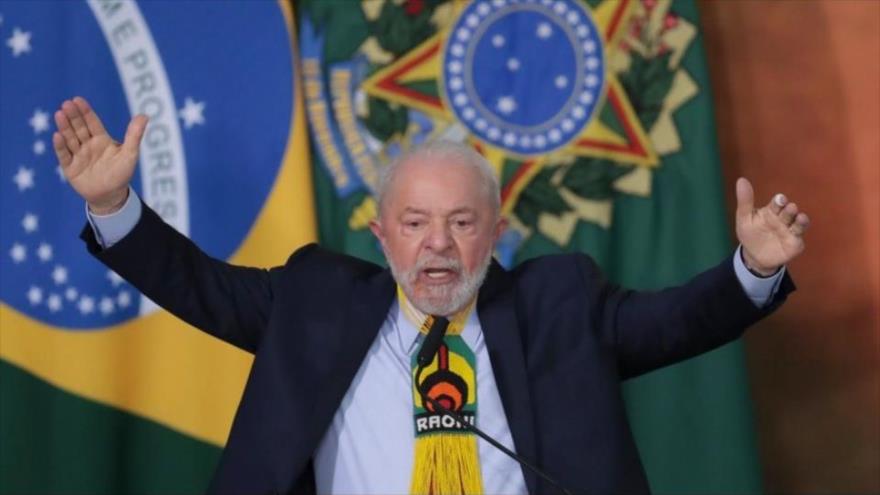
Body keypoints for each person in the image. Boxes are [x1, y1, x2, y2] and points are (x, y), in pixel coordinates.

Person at [53, 96, 808, 495]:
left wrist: (749, 266)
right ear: (383, 236)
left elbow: (679, 321)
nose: (437, 244)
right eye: (415, 223)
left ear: (495, 233)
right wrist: (118, 206)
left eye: (460, 222)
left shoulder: (561, 306)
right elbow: (199, 286)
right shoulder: (315, 299)